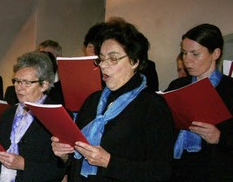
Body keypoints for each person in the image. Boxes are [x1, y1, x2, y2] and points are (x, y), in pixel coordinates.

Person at [51, 19, 175, 181]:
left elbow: (161, 172)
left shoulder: (151, 105)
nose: (103, 65)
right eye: (101, 59)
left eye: (113, 58)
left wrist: (109, 162)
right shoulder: (92, 101)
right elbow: (75, 162)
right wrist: (64, 155)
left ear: (135, 61)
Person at [0, 51, 65, 181]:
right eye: (17, 81)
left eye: (26, 83)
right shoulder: (8, 114)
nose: (19, 88)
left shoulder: (56, 116)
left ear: (44, 85)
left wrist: (23, 165)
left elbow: (60, 169)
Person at [166, 23, 233, 181]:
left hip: (215, 170)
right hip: (178, 168)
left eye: (195, 54)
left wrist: (219, 138)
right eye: (184, 53)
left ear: (215, 53)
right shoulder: (177, 85)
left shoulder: (229, 89)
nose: (187, 60)